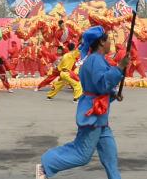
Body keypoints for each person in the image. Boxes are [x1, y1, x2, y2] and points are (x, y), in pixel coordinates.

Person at [37, 26, 129, 179]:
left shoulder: (97, 59)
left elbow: (100, 87)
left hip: (99, 116)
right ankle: (46, 165)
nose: (110, 44)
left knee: (109, 155)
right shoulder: (95, 60)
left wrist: (113, 94)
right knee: (82, 154)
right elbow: (101, 85)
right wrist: (119, 68)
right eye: (108, 41)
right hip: (93, 115)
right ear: (101, 42)